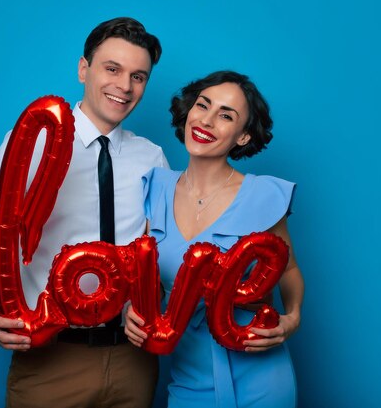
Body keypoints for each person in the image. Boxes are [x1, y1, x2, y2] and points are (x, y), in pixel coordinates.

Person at [0, 17, 168, 408]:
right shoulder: (32, 141)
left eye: (138, 76)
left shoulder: (152, 158)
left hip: (132, 361)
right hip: (51, 358)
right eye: (112, 69)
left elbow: (161, 250)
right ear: (83, 69)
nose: (124, 86)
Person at [125, 71, 304, 408]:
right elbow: (140, 275)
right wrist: (129, 312)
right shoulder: (156, 187)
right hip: (189, 376)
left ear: (242, 137)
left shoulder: (263, 195)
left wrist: (292, 318)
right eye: (202, 105)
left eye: (225, 115)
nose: (206, 120)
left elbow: (289, 269)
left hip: (260, 376)